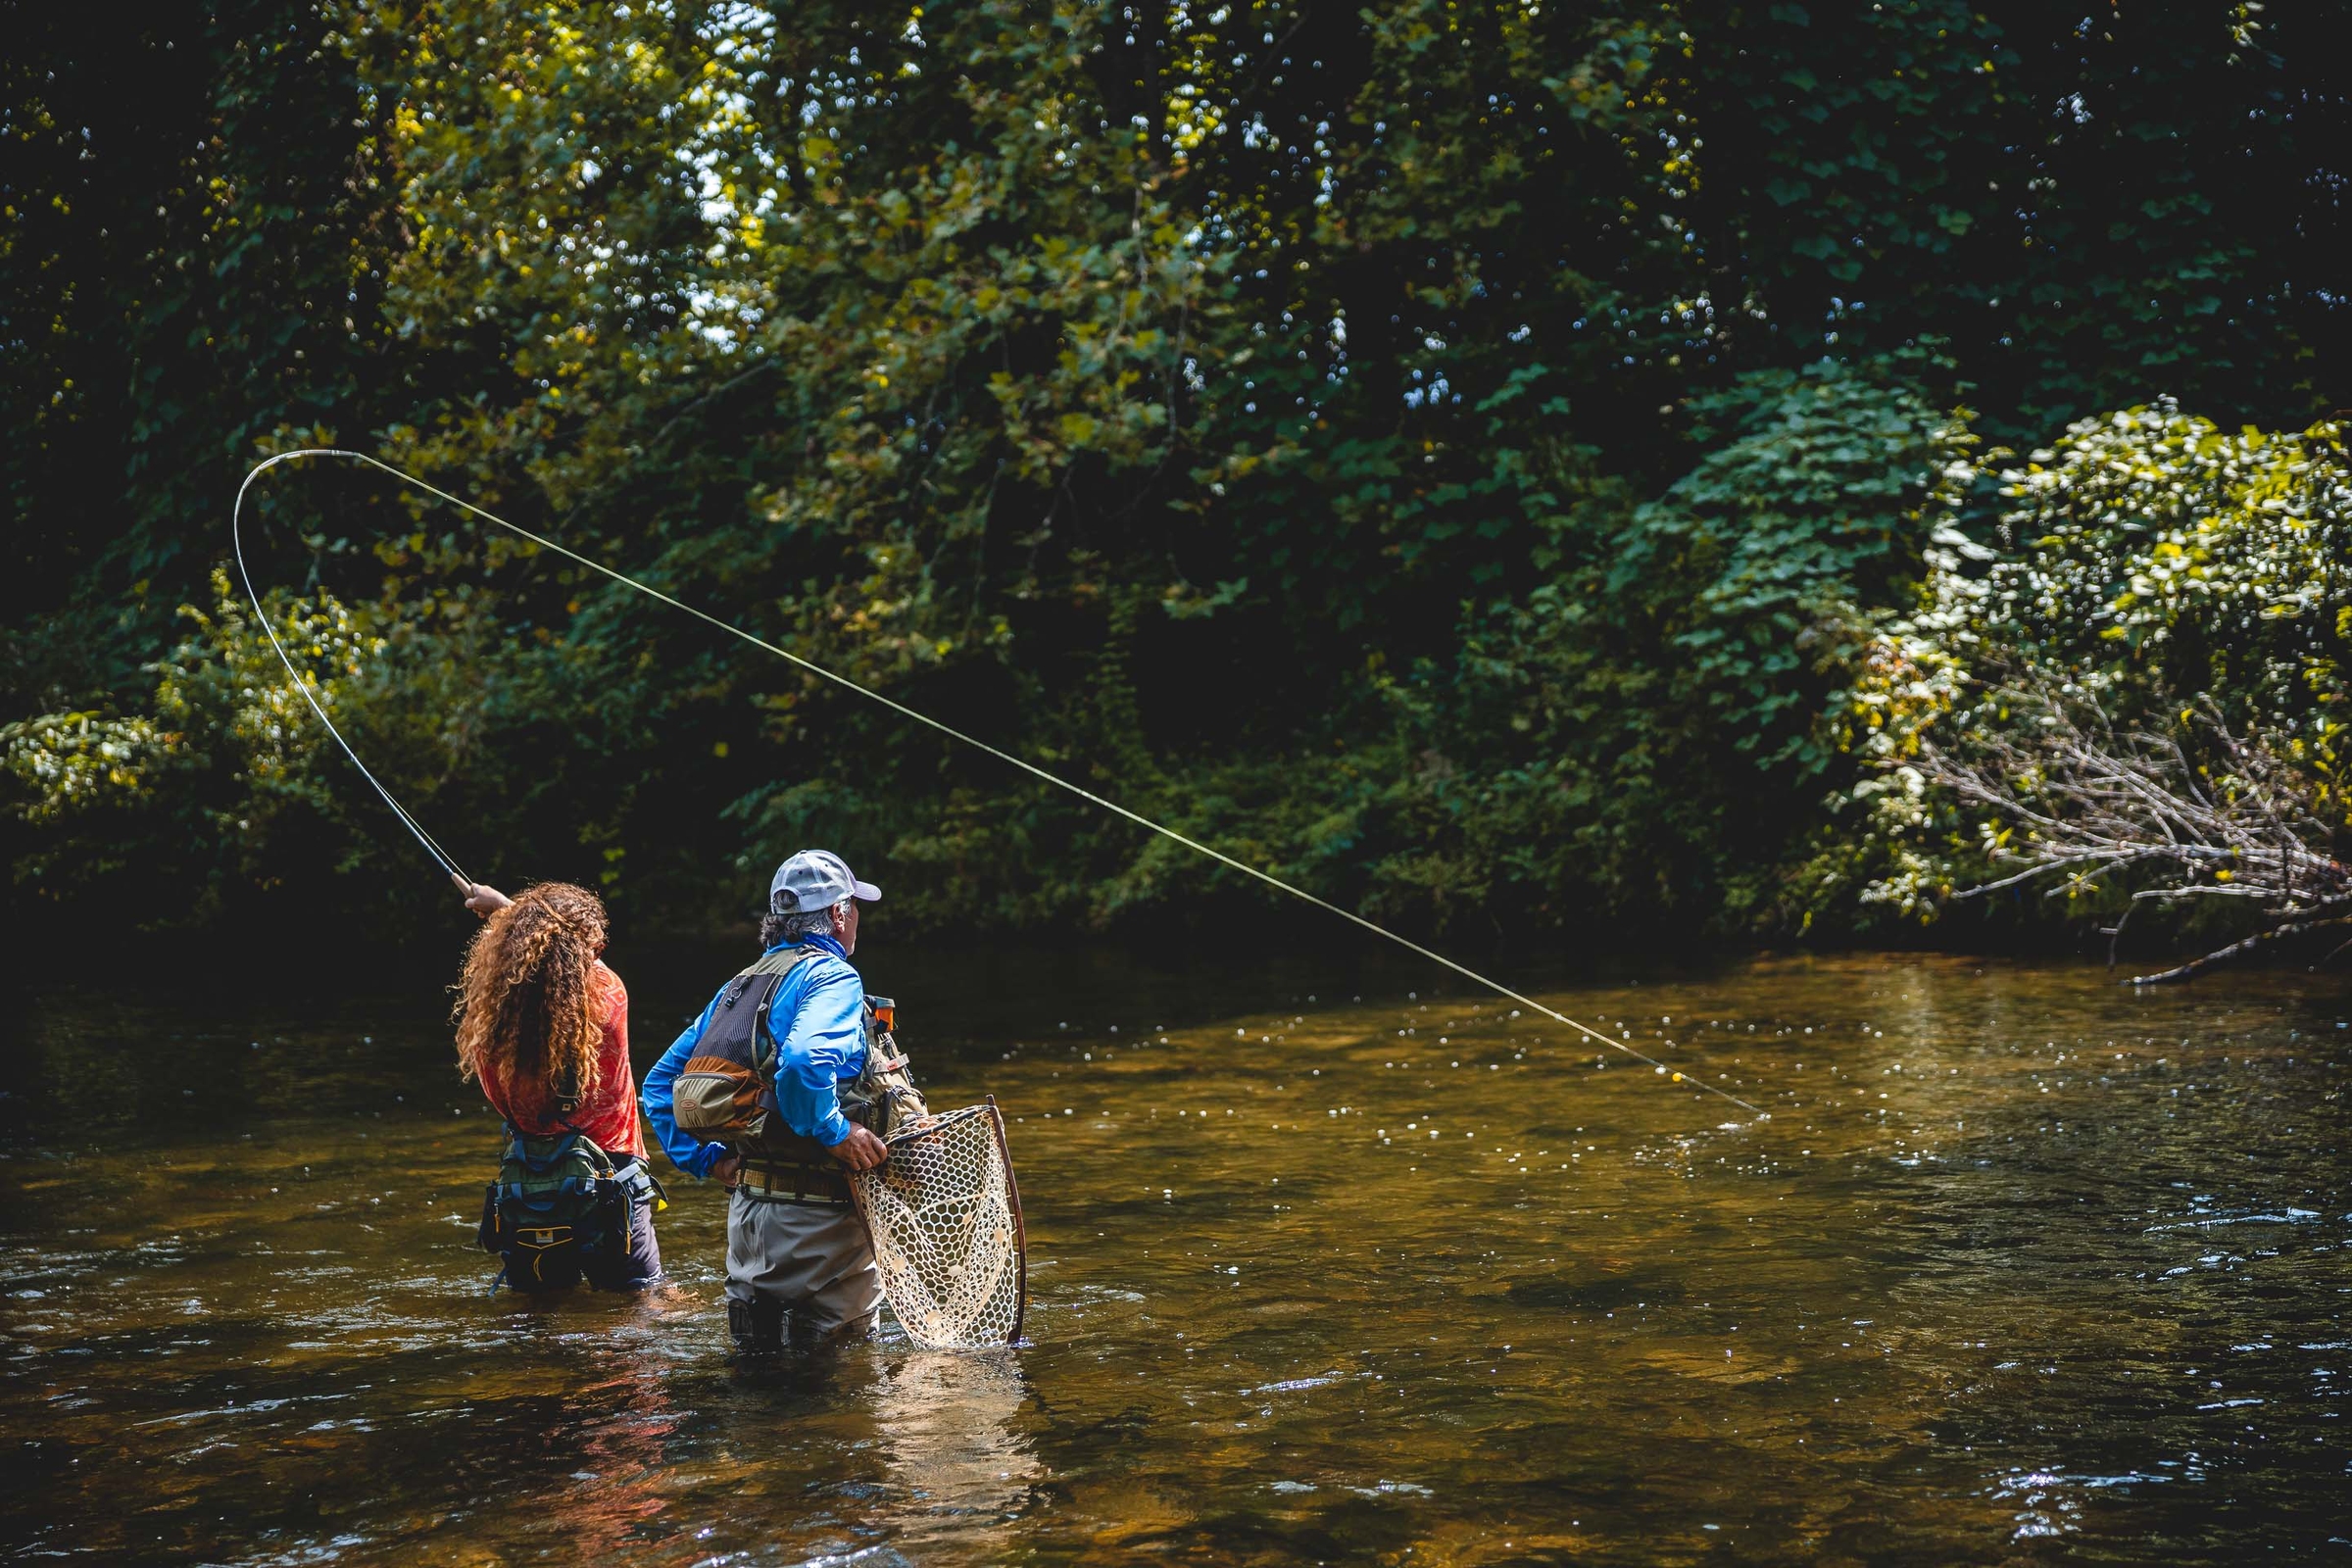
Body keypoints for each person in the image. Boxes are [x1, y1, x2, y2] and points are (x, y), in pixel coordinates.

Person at [642, 849, 894, 1350]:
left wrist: (710, 1162)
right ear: (840, 915)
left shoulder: (741, 984)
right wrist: (837, 1133)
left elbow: (659, 1085)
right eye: (854, 908)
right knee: (838, 1380)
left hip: (750, 1216)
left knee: (756, 1367)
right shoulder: (834, 977)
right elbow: (802, 1063)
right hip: (822, 1225)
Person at [453, 876, 662, 1292]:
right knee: (641, 1310)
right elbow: (568, 955)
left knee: (537, 1322)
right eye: (595, 946)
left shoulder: (491, 1030)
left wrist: (511, 922)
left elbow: (499, 1103)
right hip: (611, 1184)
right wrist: (508, 910)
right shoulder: (609, 994)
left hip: (529, 1191)